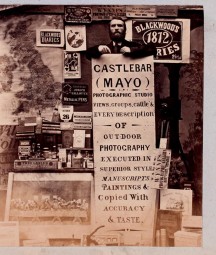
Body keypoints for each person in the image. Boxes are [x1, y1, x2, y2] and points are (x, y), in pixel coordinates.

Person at [86, 17, 156, 59]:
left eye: (120, 26)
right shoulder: (105, 48)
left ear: (125, 30)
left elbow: (152, 49)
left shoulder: (133, 46)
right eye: (113, 26)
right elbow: (88, 54)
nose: (116, 28)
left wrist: (131, 50)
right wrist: (98, 49)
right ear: (109, 30)